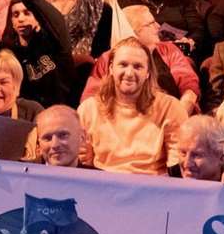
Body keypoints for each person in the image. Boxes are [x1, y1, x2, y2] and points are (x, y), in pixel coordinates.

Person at [76, 37, 187, 175]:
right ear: (111, 68)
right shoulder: (88, 109)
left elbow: (177, 165)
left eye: (137, 66)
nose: (129, 73)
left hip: (152, 188)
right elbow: (83, 164)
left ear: (148, 73)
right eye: (123, 65)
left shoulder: (170, 107)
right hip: (102, 187)